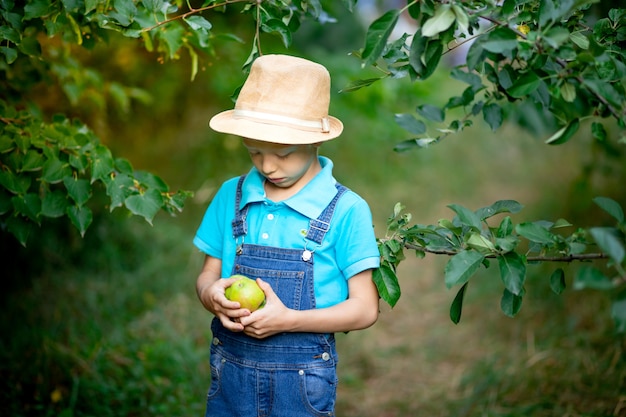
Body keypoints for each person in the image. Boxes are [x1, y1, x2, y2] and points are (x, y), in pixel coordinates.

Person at [193, 54, 380, 417]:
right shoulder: (231, 197)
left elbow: (365, 308)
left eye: (283, 154)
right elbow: (207, 274)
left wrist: (289, 320)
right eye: (254, 152)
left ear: (316, 142)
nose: (267, 166)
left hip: (302, 380)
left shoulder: (346, 210)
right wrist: (210, 293)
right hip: (231, 374)